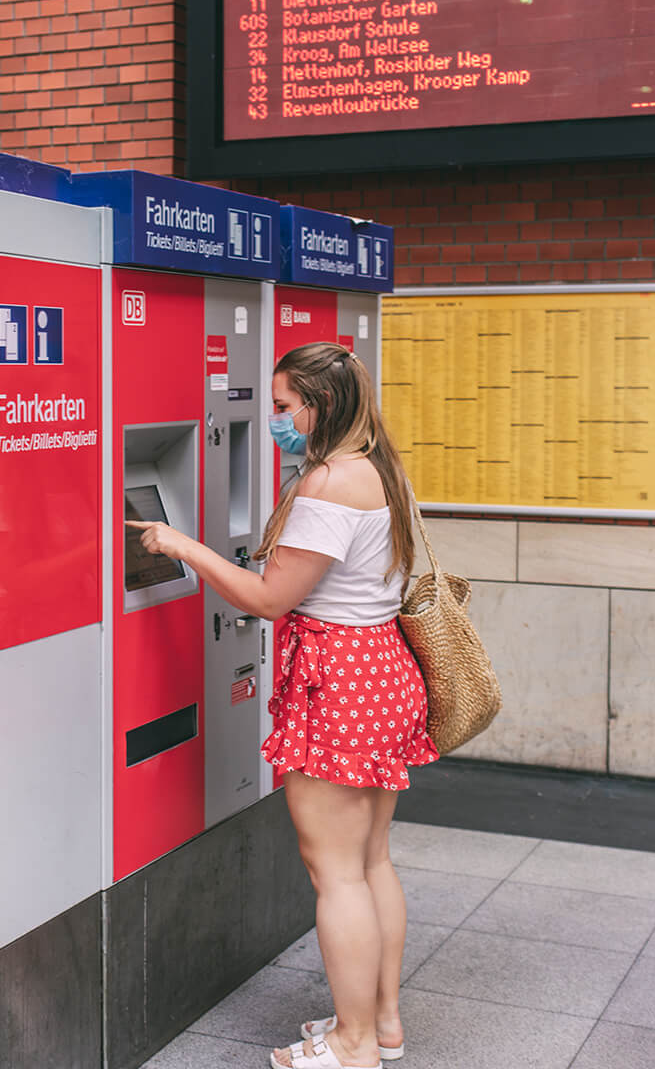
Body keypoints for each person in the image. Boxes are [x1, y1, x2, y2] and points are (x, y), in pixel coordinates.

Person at [128, 341, 437, 1069]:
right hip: (383, 672)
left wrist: (185, 548)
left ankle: (353, 1044)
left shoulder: (329, 482)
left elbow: (269, 599)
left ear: (319, 405)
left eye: (282, 406)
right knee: (371, 861)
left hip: (341, 685)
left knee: (334, 872)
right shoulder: (378, 467)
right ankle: (381, 1024)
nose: (275, 420)